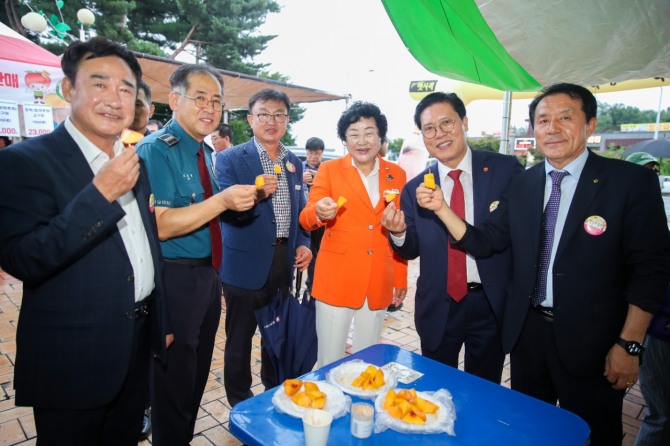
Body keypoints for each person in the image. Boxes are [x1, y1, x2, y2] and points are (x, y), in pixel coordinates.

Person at [384, 83, 670, 445]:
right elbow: (484, 239)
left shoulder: (625, 182)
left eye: (565, 118)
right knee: (526, 427)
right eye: (543, 120)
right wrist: (435, 212)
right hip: (527, 336)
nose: (552, 128)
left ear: (590, 124)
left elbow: (650, 269)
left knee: (593, 431)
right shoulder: (526, 184)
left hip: (590, 339)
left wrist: (630, 344)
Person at [0, 36, 170, 445]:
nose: (114, 98)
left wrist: (158, 320)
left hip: (135, 344)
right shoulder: (22, 162)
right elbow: (24, 259)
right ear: (68, 89)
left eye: (126, 88)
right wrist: (98, 197)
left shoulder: (132, 162)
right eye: (99, 83)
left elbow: (144, 249)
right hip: (74, 355)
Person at [136, 64, 257, 445]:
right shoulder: (157, 150)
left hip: (206, 278)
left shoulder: (203, 151)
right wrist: (223, 199)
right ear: (174, 100)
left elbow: (210, 211)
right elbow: (162, 224)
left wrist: (239, 201)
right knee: (172, 387)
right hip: (173, 278)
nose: (210, 107)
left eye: (217, 101)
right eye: (200, 97)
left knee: (194, 377)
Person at [382, 92, 523, 382]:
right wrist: (397, 232)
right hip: (439, 304)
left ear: (464, 122)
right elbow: (412, 249)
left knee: (483, 388)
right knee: (435, 387)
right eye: (429, 129)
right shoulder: (416, 187)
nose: (439, 134)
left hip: (490, 304)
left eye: (447, 123)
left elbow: (498, 238)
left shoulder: (504, 170)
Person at [216, 88, 312, 407]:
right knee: (240, 340)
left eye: (279, 115)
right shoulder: (230, 159)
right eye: (264, 114)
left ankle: (275, 390)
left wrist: (305, 243)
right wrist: (256, 195)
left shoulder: (293, 161)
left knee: (278, 335)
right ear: (250, 119)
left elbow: (301, 210)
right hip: (244, 264)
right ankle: (241, 400)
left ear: (287, 120)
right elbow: (225, 212)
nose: (271, 121)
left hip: (283, 262)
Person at [299, 101, 408, 367]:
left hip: (378, 280)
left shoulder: (397, 174)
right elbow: (306, 217)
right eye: (354, 134)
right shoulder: (329, 170)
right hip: (336, 279)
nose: (362, 141)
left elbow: (401, 228)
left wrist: (401, 277)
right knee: (329, 361)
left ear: (380, 137)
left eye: (369, 132)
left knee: (368, 363)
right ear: (344, 139)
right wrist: (320, 213)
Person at [624, 152, 670, 446]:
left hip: (648, 318)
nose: (648, 177)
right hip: (658, 324)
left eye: (653, 171)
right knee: (660, 412)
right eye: (643, 171)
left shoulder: (656, 214)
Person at [302, 136, 325, 296]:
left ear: (322, 153)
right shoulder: (297, 167)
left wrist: (318, 179)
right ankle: (291, 286)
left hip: (319, 219)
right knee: (299, 250)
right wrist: (300, 179)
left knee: (317, 253)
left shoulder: (326, 170)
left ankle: (313, 286)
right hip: (300, 218)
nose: (313, 156)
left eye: (317, 153)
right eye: (310, 153)